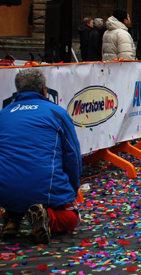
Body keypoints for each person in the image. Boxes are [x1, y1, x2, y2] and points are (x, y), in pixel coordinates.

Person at [0, 68, 82, 244]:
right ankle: (46, 217)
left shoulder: (3, 114)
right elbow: (73, 156)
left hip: (5, 192)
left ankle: (12, 218)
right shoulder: (56, 112)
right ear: (45, 90)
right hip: (45, 188)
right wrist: (72, 191)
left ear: (18, 91)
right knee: (72, 216)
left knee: (17, 180)